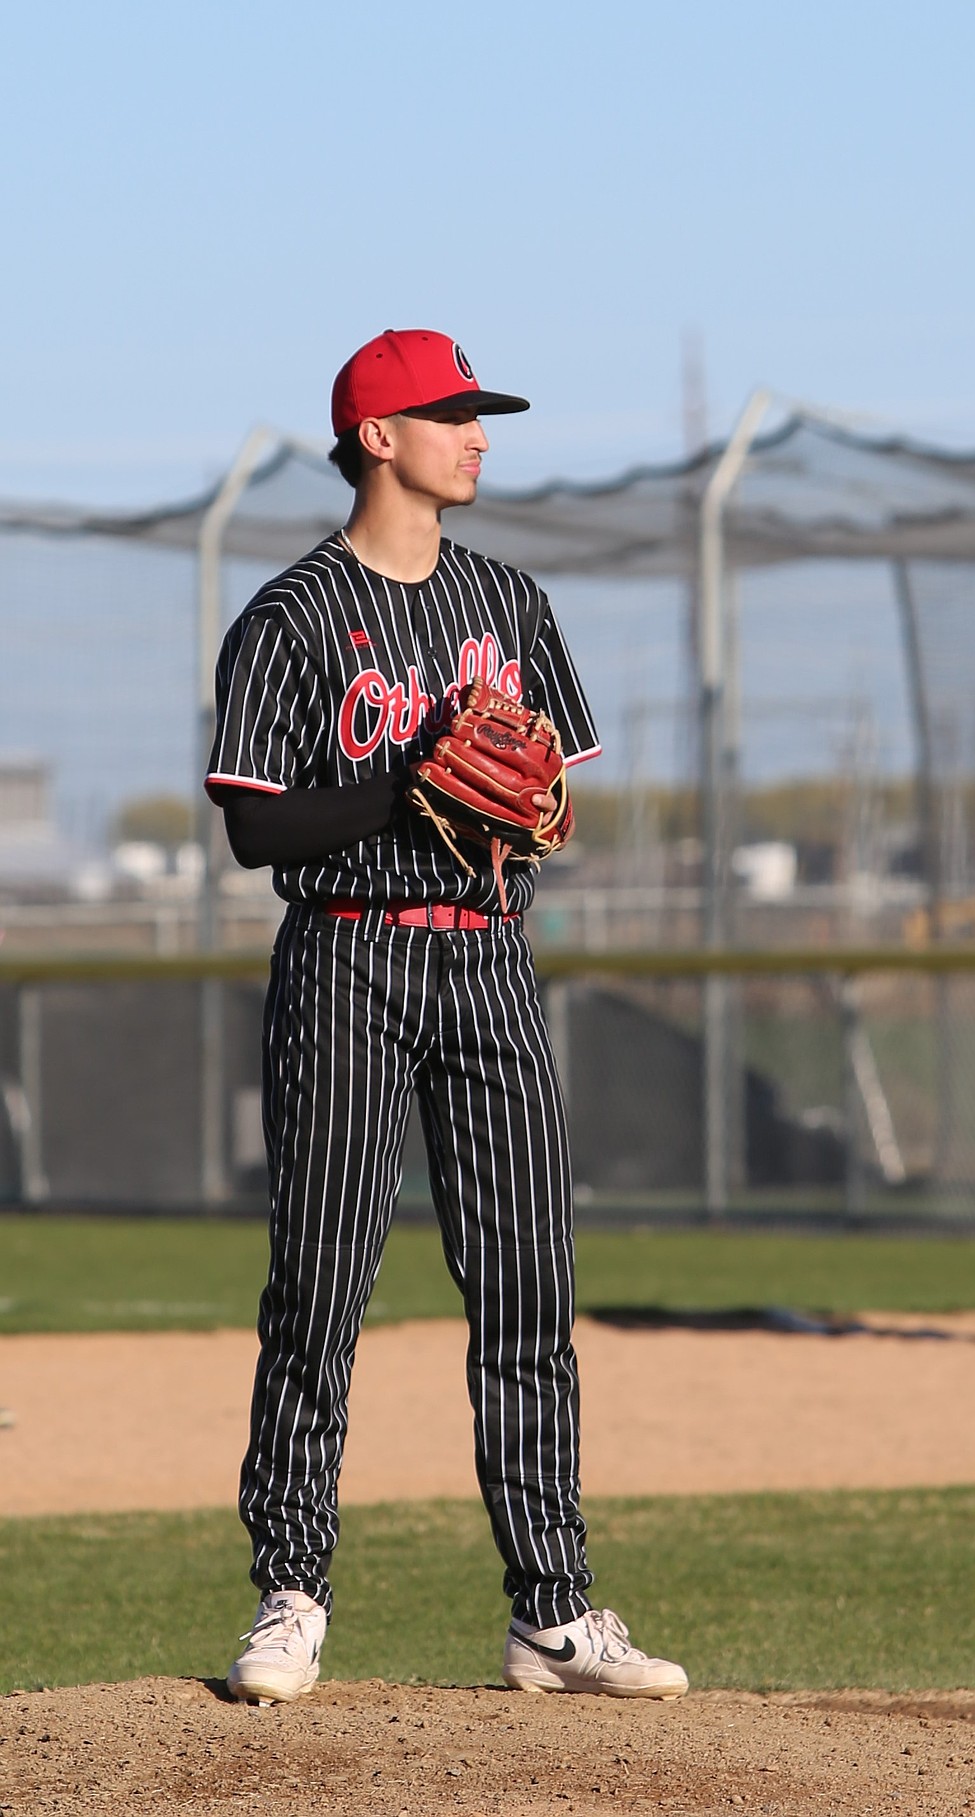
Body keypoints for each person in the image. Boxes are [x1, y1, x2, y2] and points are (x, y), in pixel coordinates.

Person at [205, 328, 687, 1704]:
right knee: (320, 1293)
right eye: (452, 414)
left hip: (487, 958)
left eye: (479, 416)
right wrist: (408, 784)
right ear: (377, 435)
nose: (478, 435)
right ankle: (290, 1594)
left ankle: (552, 1611)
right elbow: (255, 826)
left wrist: (519, 803)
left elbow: (539, 787)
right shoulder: (294, 616)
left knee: (529, 1291)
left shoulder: (509, 600)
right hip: (347, 958)